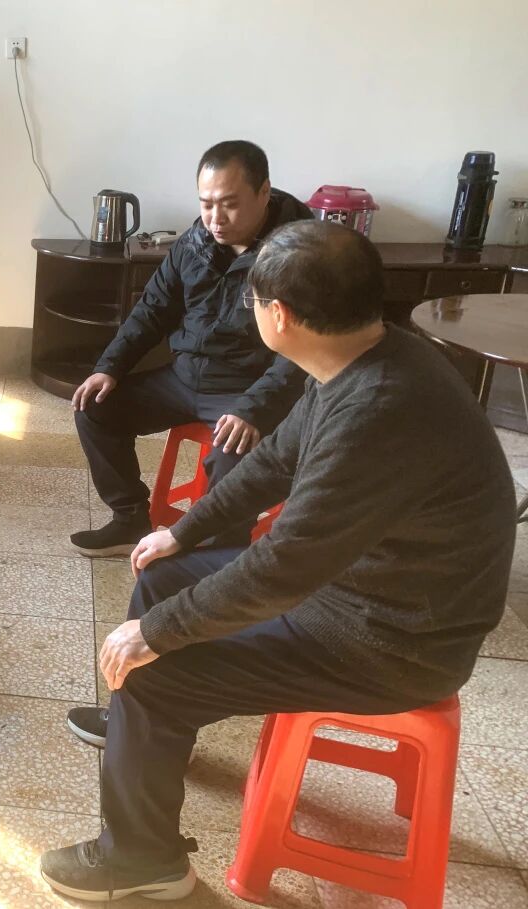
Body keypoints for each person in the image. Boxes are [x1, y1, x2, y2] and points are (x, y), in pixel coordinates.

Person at [39, 221, 515, 902]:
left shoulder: (378, 408)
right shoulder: (362, 356)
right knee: (164, 574)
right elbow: (273, 461)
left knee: (155, 670)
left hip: (391, 642)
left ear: (279, 315)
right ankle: (136, 731)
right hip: (359, 591)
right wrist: (184, 532)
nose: (252, 310)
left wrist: (155, 634)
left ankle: (142, 861)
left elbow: (282, 567)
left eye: (253, 301)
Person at [71, 140, 311, 561]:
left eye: (230, 204)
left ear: (264, 193)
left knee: (232, 455)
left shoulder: (299, 255)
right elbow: (152, 310)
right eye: (206, 204)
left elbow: (301, 348)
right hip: (182, 378)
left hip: (245, 389)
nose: (215, 218)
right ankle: (130, 519)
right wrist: (109, 367)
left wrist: (254, 408)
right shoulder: (195, 241)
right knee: (94, 407)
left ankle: (220, 557)